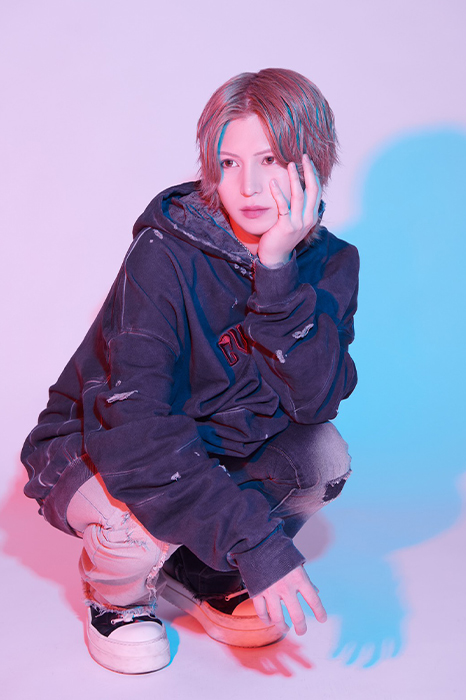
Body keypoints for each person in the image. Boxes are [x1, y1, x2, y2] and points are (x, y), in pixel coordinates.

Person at [21, 68, 359, 674]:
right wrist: (256, 542)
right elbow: (135, 432)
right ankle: (116, 598)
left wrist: (277, 273)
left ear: (313, 162)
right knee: (138, 514)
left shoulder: (332, 262)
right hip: (101, 445)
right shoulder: (165, 252)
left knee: (321, 458)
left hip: (213, 444)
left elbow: (315, 403)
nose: (247, 186)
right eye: (228, 163)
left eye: (270, 159)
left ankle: (199, 570)